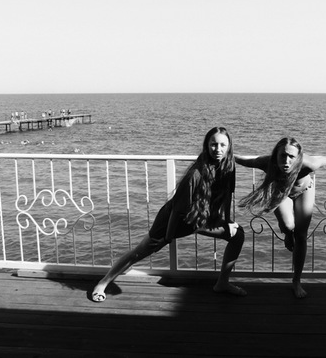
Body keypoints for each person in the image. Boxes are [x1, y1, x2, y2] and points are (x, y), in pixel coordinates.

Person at [91, 127, 246, 302]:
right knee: (140, 252)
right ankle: (103, 283)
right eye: (214, 144)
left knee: (238, 235)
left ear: (229, 146)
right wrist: (167, 237)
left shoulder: (229, 167)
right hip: (174, 221)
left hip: (200, 220)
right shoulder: (195, 174)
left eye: (223, 145)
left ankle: (222, 283)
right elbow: (177, 210)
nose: (218, 149)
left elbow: (228, 195)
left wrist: (228, 221)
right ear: (206, 146)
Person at [236, 137, 326, 299]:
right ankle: (288, 234)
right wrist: (225, 155)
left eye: (292, 156)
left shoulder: (308, 164)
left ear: (298, 158)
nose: (286, 161)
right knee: (288, 225)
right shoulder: (267, 162)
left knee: (301, 236)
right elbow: (245, 161)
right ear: (276, 155)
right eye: (283, 155)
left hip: (304, 191)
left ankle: (296, 281)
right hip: (281, 192)